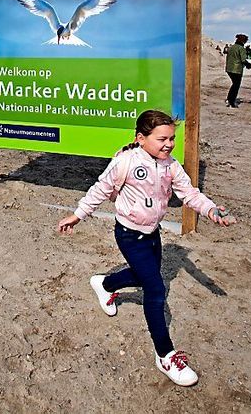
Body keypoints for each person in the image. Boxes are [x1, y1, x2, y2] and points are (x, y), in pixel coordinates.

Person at [56, 110, 235, 387]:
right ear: (141, 138)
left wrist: (210, 209)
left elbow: (189, 193)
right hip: (128, 234)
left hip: (153, 235)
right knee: (155, 289)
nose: (169, 144)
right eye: (162, 138)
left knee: (142, 278)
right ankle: (165, 355)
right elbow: (100, 189)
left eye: (172, 138)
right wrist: (77, 215)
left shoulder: (171, 165)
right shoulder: (125, 161)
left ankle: (105, 284)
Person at [224, 34, 250, 108]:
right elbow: (243, 60)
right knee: (236, 86)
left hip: (229, 68)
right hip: (236, 69)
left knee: (234, 85)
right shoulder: (241, 48)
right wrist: (248, 65)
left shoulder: (231, 47)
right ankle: (232, 101)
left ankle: (229, 99)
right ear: (243, 41)